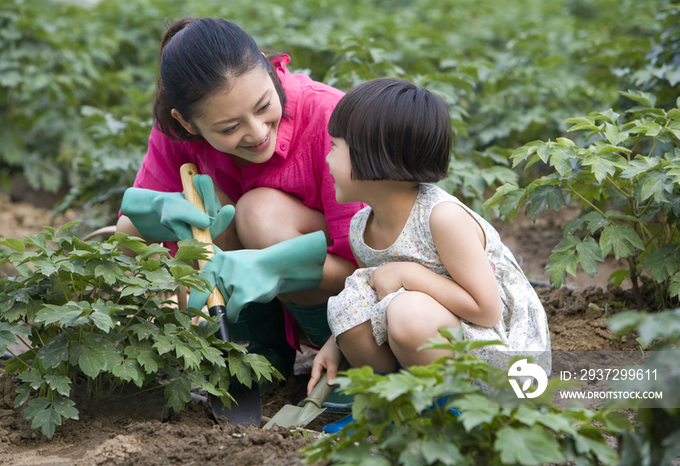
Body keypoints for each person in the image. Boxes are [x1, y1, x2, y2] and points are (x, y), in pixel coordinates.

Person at [117, 17, 364, 379]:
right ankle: (257, 356)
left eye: (264, 106)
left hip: (349, 300)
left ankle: (345, 360)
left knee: (257, 213)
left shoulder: (330, 117)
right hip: (265, 299)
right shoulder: (176, 136)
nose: (258, 132)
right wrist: (157, 211)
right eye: (230, 128)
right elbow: (126, 240)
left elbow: (374, 265)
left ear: (269, 67)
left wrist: (275, 265)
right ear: (187, 124)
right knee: (207, 207)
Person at [308, 78, 552, 404]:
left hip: (495, 344)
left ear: (374, 158)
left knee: (407, 313)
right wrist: (334, 341)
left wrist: (409, 275)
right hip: (433, 333)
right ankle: (392, 403)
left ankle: (450, 409)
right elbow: (369, 299)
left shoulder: (441, 218)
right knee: (351, 310)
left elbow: (487, 310)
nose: (327, 158)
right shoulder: (361, 227)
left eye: (335, 146)